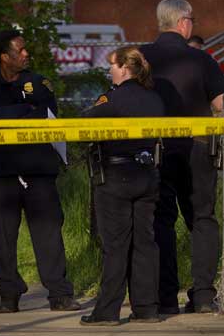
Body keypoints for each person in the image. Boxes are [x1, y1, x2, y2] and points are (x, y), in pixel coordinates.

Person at [0, 29, 80, 314]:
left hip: (37, 171)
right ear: (4, 57)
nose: (26, 54)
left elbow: (45, 113)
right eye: (19, 50)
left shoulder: (38, 82)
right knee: (3, 237)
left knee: (48, 233)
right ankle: (9, 295)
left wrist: (11, 113)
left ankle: (59, 293)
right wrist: (24, 110)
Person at [140, 0, 224, 315]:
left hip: (153, 150)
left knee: (160, 221)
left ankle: (165, 297)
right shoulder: (201, 60)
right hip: (197, 149)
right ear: (182, 23)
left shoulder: (140, 58)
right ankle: (204, 295)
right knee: (202, 220)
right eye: (191, 19)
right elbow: (223, 104)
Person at [80, 47, 165, 326]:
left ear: (125, 69)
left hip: (116, 176)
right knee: (145, 242)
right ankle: (147, 308)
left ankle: (107, 312)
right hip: (147, 174)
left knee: (115, 245)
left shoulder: (112, 98)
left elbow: (85, 123)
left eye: (113, 67)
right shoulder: (154, 99)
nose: (110, 72)